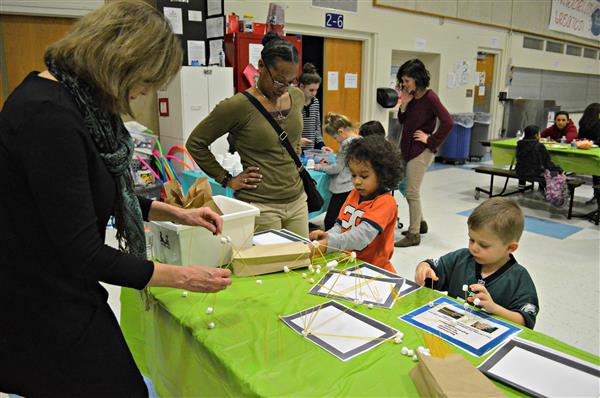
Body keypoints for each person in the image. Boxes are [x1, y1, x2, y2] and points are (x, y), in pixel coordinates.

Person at [0, 2, 232, 396]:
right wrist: (183, 276)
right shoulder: (49, 118)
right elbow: (83, 252)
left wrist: (172, 211)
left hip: (58, 285)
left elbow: (89, 193)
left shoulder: (77, 104)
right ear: (118, 63)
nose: (145, 92)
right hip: (38, 299)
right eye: (146, 80)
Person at [186, 32, 309, 237]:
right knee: (271, 266)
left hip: (297, 202)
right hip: (261, 206)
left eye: (290, 81)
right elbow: (196, 143)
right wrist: (226, 179)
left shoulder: (296, 96)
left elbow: (294, 140)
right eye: (278, 81)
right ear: (261, 66)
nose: (283, 88)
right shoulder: (238, 106)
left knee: (302, 262)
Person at [414, 197, 539, 328]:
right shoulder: (461, 258)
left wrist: (495, 308)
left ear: (510, 248)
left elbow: (525, 322)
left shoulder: (518, 278)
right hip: (452, 330)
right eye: (471, 240)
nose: (474, 248)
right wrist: (424, 269)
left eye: (484, 245)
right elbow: (432, 270)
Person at [309, 136, 403, 272]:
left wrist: (328, 243)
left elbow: (361, 237)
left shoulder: (385, 202)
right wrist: (327, 236)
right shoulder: (354, 193)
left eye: (364, 176)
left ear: (383, 175)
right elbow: (341, 226)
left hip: (374, 270)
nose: (357, 181)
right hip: (349, 263)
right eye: (353, 175)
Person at [394, 59, 453, 248]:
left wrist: (431, 140)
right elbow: (402, 120)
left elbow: (448, 122)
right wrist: (404, 103)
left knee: (412, 192)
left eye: (407, 80)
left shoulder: (430, 98)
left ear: (417, 79)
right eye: (402, 80)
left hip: (421, 151)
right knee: (406, 188)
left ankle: (413, 234)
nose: (404, 84)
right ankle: (421, 223)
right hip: (407, 149)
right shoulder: (411, 97)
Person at [314, 113, 361, 230]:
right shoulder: (359, 139)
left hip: (344, 188)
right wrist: (334, 155)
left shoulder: (346, 144)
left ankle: (330, 244)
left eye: (335, 138)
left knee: (330, 220)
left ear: (341, 131)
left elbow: (336, 168)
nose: (336, 141)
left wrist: (318, 166)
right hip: (353, 185)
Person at [515, 125, 562, 190]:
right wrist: (560, 170)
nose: (540, 135)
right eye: (539, 134)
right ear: (536, 135)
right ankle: (544, 188)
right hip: (534, 173)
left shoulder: (520, 144)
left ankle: (522, 186)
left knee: (525, 165)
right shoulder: (539, 146)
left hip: (519, 171)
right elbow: (548, 163)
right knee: (550, 171)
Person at [298, 62, 331, 152]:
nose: (314, 93)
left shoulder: (315, 102)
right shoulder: (293, 103)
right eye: (311, 90)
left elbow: (317, 128)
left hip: (310, 151)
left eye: (316, 90)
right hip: (294, 149)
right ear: (301, 86)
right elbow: (287, 128)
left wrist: (321, 145)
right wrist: (297, 141)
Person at [578, 103, 600, 200]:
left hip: (588, 154)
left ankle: (596, 194)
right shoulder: (598, 124)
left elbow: (580, 138)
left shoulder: (582, 123)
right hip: (597, 152)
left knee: (595, 175)